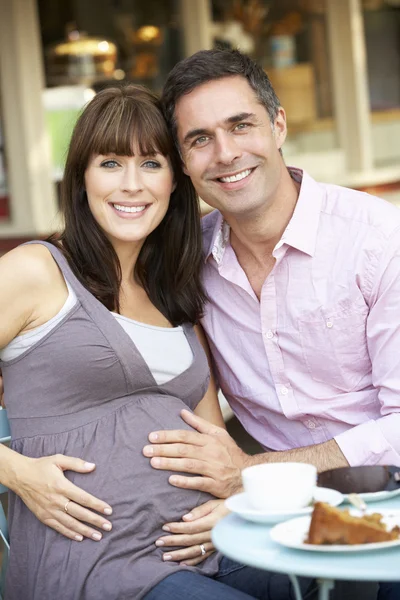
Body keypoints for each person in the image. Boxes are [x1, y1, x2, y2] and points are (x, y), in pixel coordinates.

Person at [0, 84, 311, 600]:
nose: (131, 185)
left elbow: (216, 444)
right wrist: (17, 473)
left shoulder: (176, 291)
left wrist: (230, 503)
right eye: (110, 164)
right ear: (81, 178)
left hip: (213, 546)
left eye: (150, 164)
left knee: (359, 572)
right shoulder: (36, 271)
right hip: (100, 564)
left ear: (175, 180)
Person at [138, 49, 400, 599]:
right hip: (275, 521)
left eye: (241, 125)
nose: (226, 153)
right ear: (183, 163)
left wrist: (259, 476)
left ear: (278, 125)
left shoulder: (377, 240)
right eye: (200, 138)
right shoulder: (185, 263)